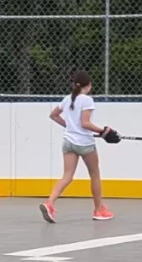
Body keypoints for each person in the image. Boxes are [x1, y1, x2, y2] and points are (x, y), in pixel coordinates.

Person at [40, 70, 117, 223]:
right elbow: (85, 123)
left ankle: (49, 203)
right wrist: (104, 131)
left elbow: (53, 115)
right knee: (95, 175)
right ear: (88, 86)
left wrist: (69, 126)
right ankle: (98, 210)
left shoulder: (67, 99)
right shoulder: (87, 100)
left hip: (68, 141)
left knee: (67, 176)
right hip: (85, 143)